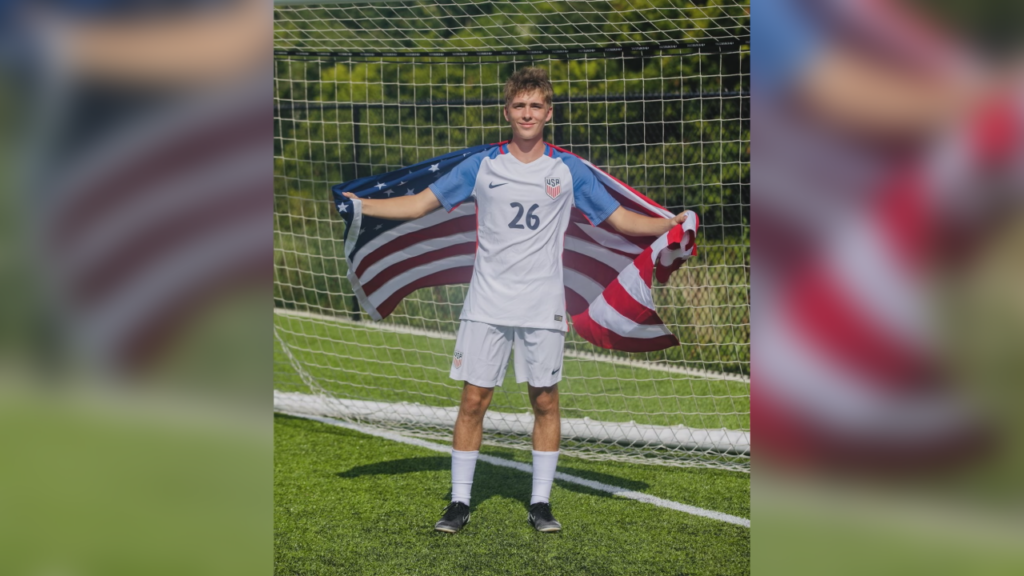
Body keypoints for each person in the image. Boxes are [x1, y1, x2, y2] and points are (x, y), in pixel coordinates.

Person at [342, 67, 689, 533]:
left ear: (549, 112)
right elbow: (420, 203)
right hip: (485, 302)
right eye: (519, 106)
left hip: (544, 306)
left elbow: (621, 219)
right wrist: (360, 205)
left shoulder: (568, 170)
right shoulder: (482, 165)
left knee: (545, 401)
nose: (527, 113)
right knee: (473, 401)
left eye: (536, 106)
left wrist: (671, 223)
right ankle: (459, 502)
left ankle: (541, 503)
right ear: (507, 112)